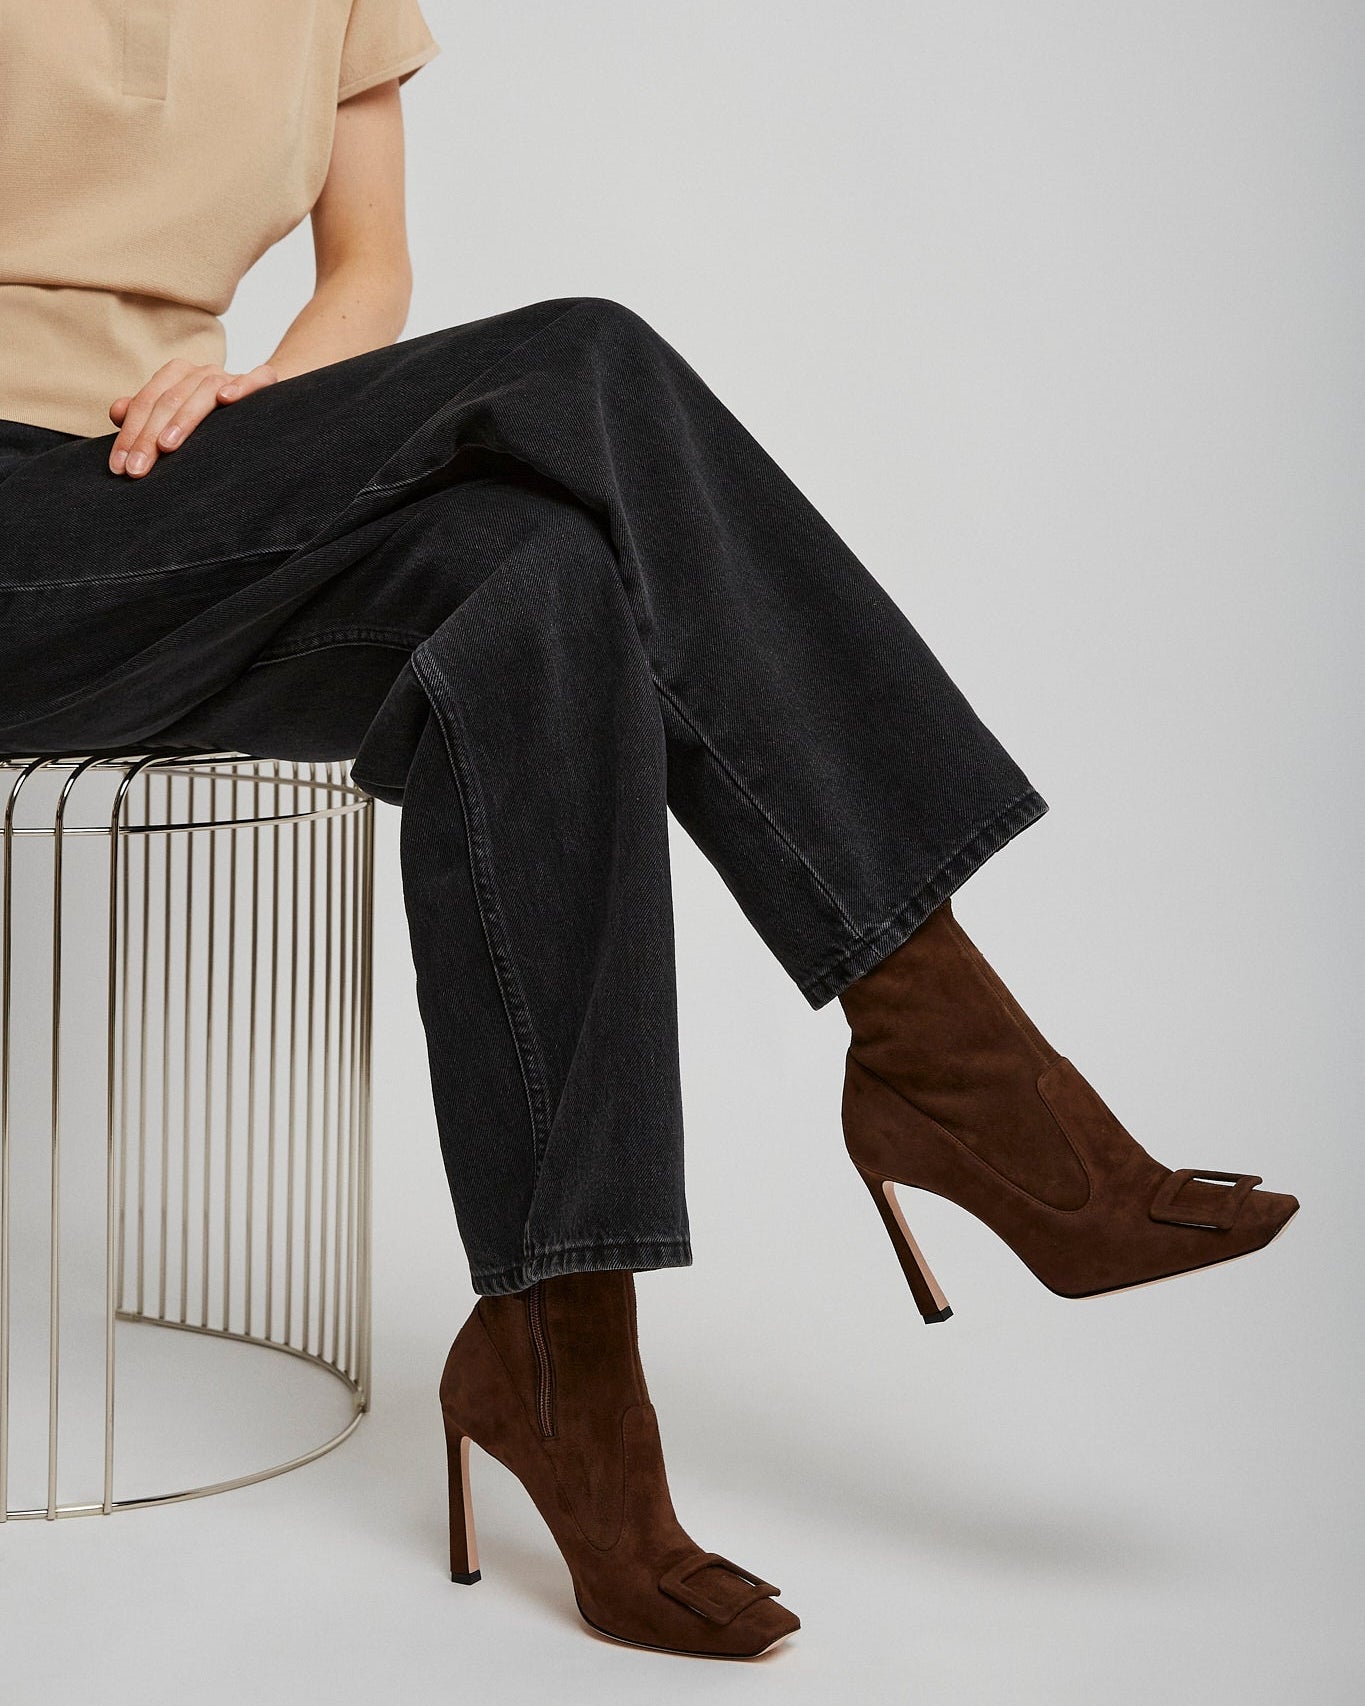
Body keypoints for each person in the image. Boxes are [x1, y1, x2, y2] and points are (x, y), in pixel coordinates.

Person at [0, 0, 1299, 1660]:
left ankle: (562, 1362)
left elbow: (365, 280)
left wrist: (259, 401)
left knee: (532, 585)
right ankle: (961, 1069)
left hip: (173, 506)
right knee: (583, 358)